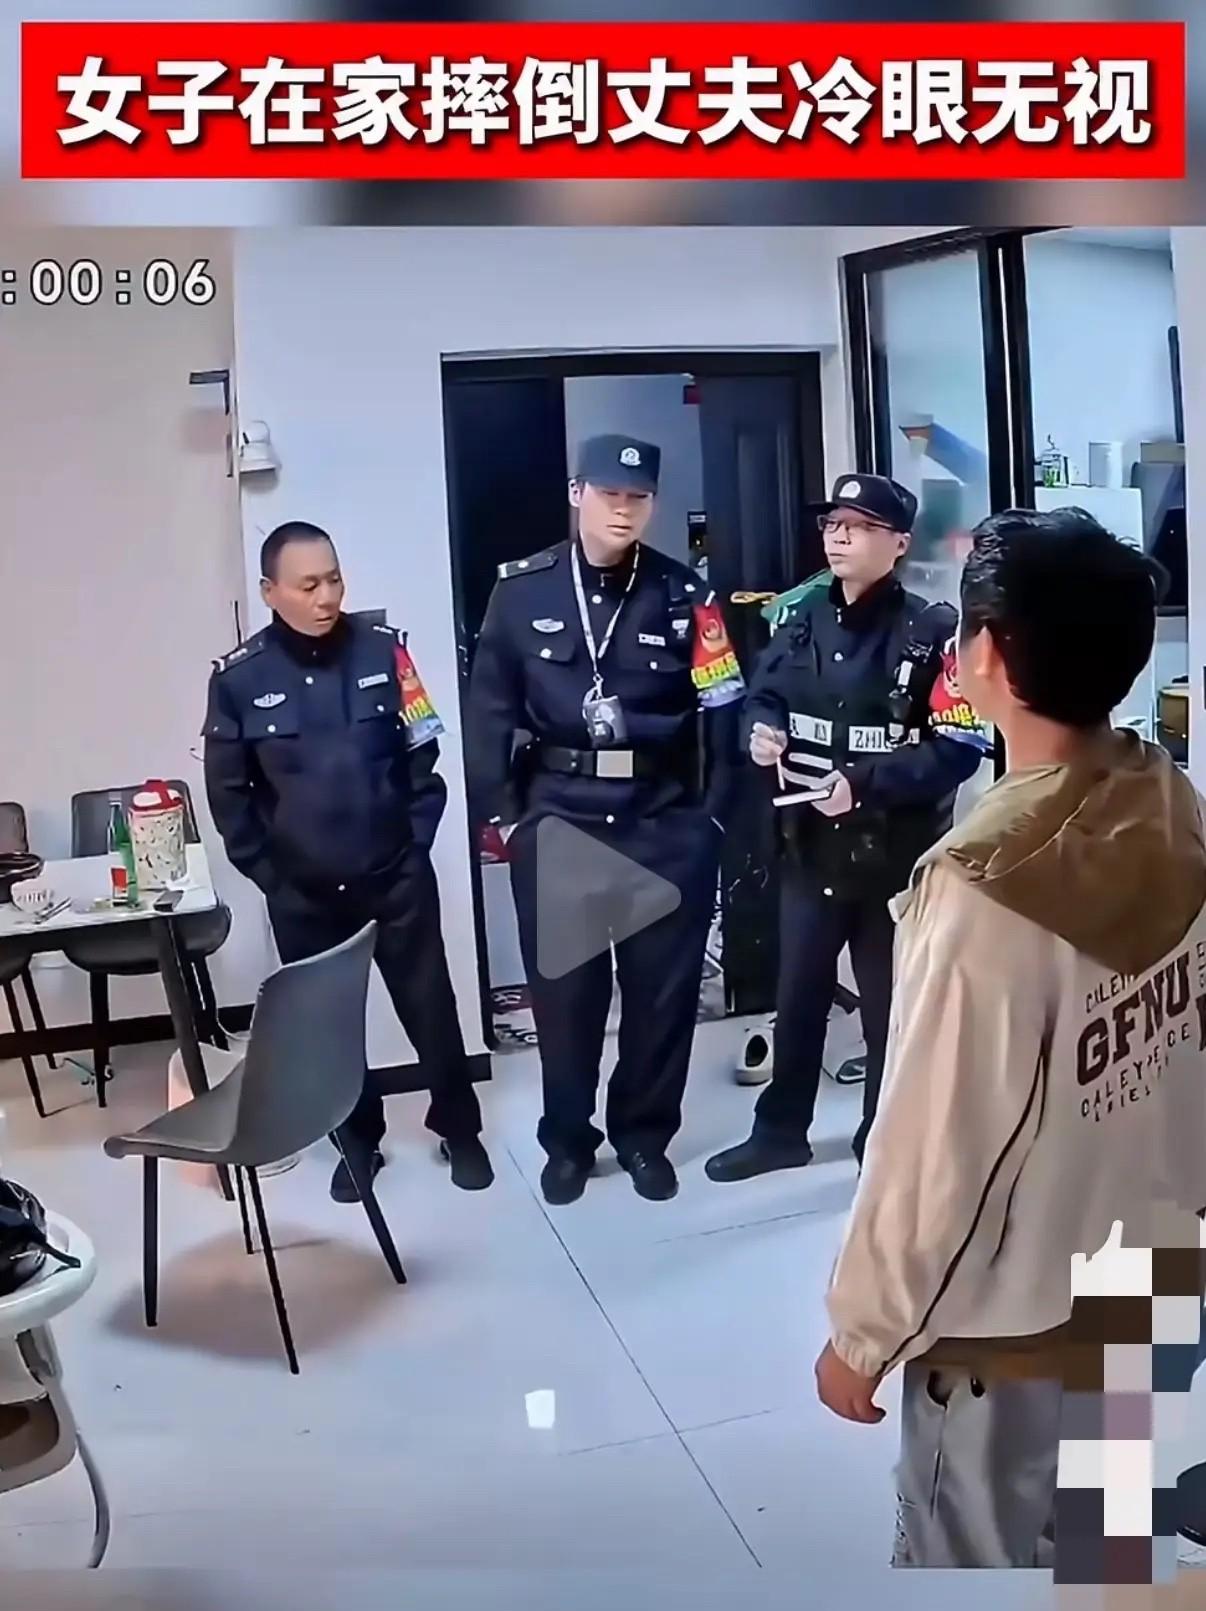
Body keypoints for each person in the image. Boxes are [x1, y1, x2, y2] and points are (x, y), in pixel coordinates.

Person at [814, 507, 1206, 1568]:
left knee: (973, 1587)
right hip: (1147, 1277)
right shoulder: (1169, 798)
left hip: (1013, 1325)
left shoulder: (983, 886)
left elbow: (935, 1149)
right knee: (1101, 1553)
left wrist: (864, 1333)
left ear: (986, 653)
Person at [466, 435, 745, 1206]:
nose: (623, 510)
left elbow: (723, 710)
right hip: (561, 818)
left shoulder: (685, 594)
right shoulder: (521, 592)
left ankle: (643, 1136)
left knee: (662, 999)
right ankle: (567, 1141)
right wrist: (509, 820)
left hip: (664, 821)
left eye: (637, 497)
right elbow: (487, 711)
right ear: (576, 493)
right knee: (567, 1001)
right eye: (609, 494)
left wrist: (714, 822)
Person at [706, 473, 985, 1183]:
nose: (839, 538)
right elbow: (762, 695)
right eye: (833, 524)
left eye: (859, 527)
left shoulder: (931, 632)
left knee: (888, 1011)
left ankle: (881, 1145)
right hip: (808, 846)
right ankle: (780, 1131)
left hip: (893, 857)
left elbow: (958, 747)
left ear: (899, 543)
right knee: (797, 996)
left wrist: (863, 784)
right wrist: (761, 731)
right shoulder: (800, 616)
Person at [203, 521, 492, 1203]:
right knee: (328, 1027)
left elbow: (424, 756)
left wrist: (413, 845)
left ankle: (459, 1128)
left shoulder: (384, 651)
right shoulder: (239, 679)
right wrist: (272, 878)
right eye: (308, 584)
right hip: (304, 894)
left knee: (432, 1008)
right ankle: (358, 1141)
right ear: (271, 591)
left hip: (394, 878)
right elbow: (229, 795)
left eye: (334, 579)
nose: (327, 596)